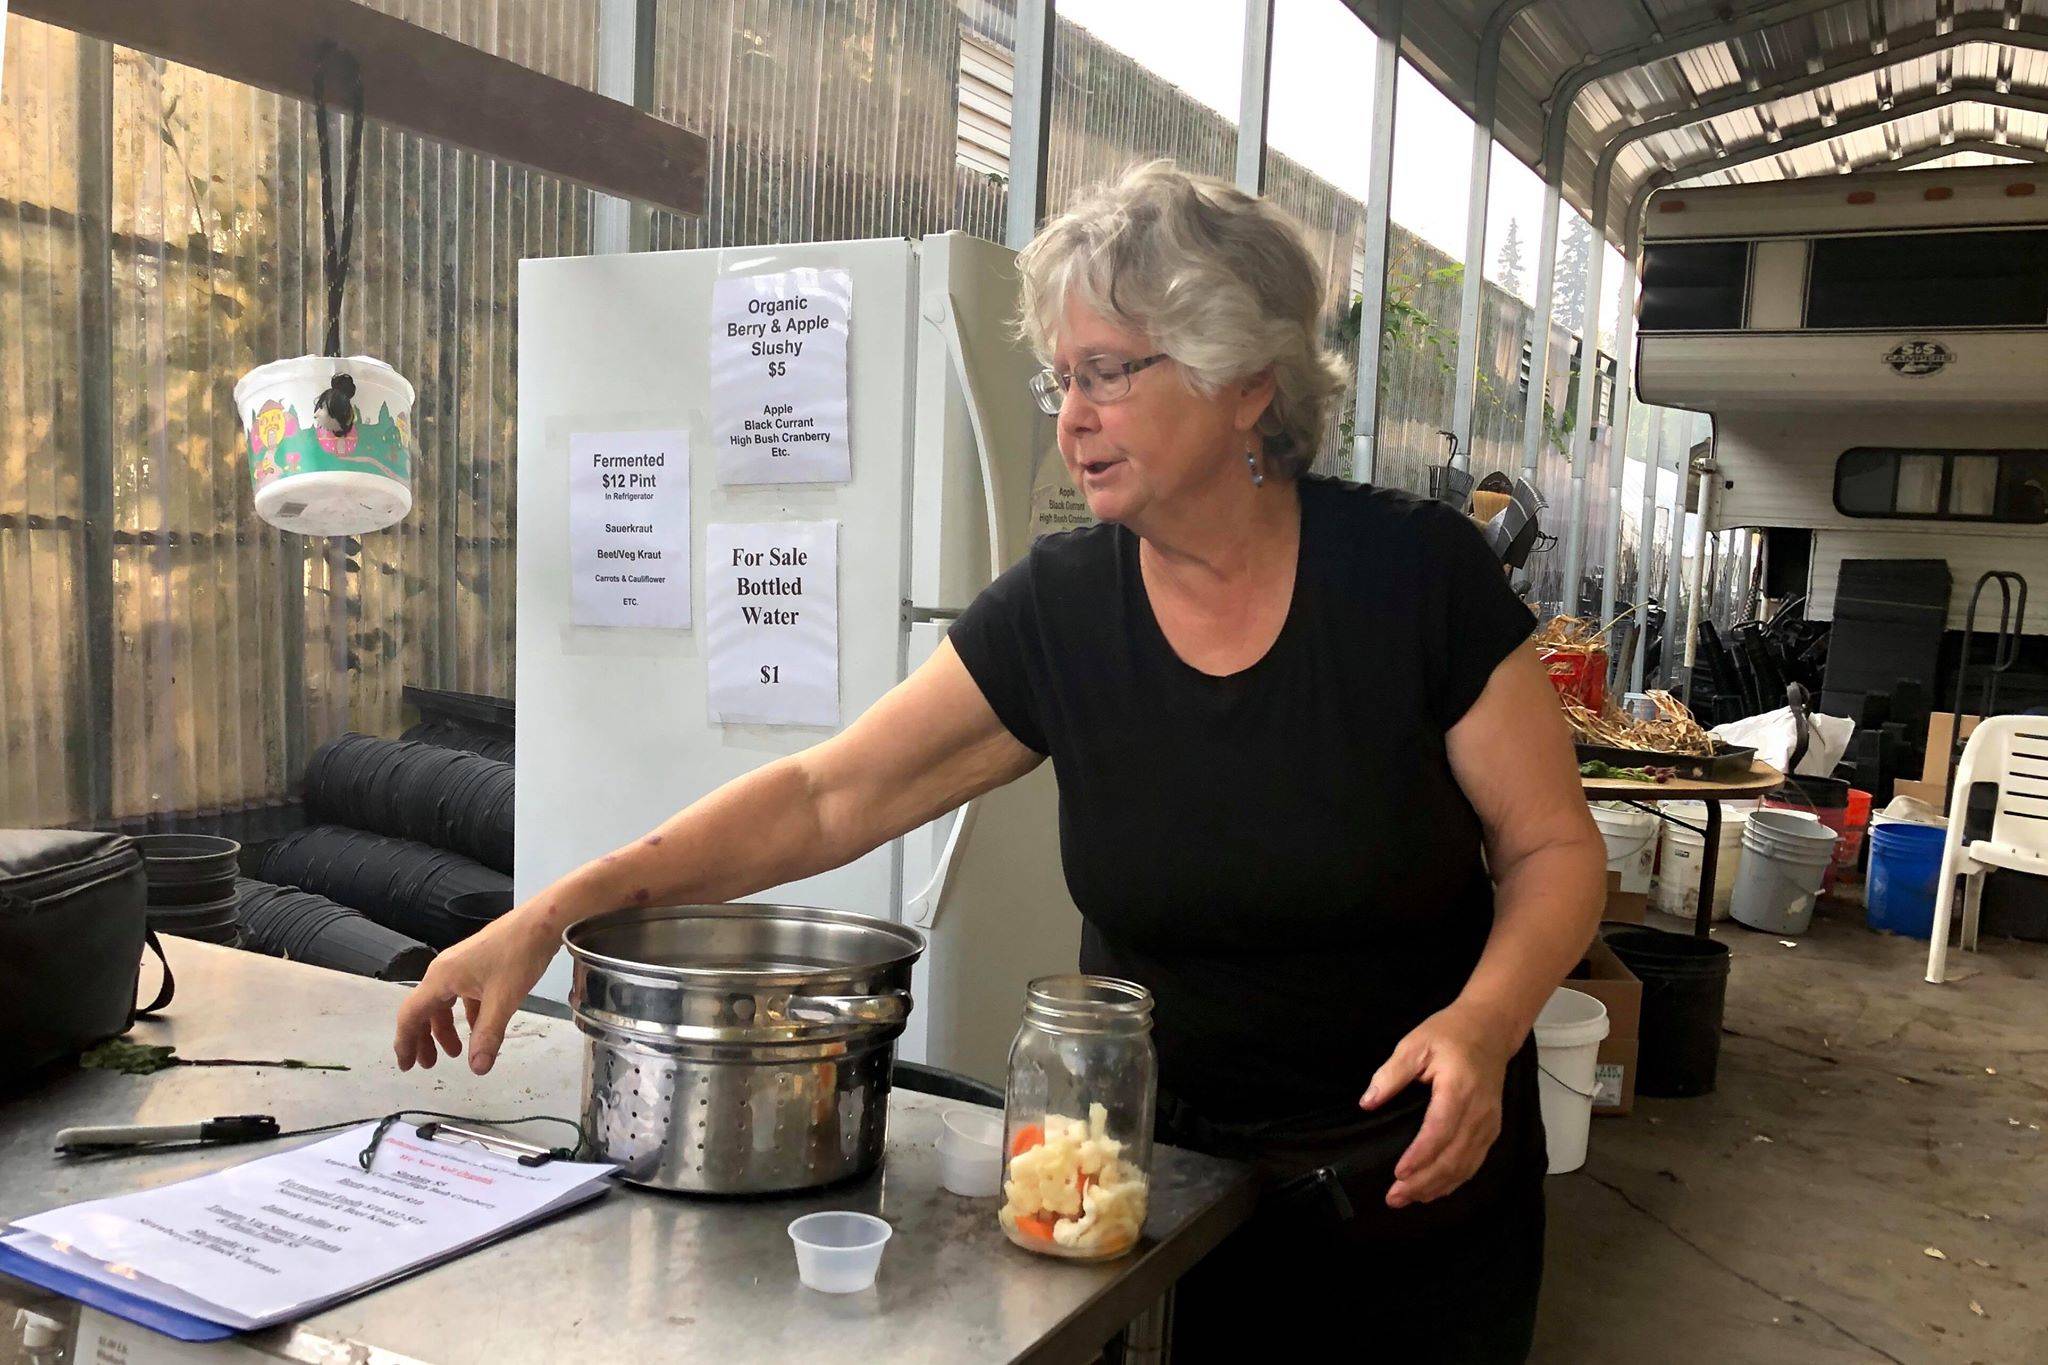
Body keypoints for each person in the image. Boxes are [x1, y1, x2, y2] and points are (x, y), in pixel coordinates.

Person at [393, 161, 1605, 1362]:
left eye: (1107, 375)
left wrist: (1485, 1026)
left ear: (1243, 381)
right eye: (1058, 377)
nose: (1068, 418)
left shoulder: (1413, 582)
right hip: (1149, 1193)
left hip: (1412, 1197)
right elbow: (824, 797)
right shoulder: (1061, 612)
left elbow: (1551, 847)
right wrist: (555, 911)